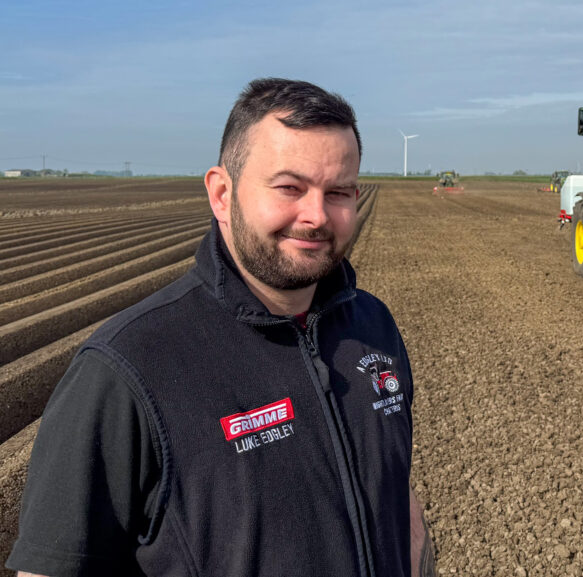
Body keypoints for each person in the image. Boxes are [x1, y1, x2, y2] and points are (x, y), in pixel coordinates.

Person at [6, 78, 435, 577]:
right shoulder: (126, 370)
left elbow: (393, 488)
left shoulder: (372, 325)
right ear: (221, 193)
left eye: (337, 192)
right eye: (289, 187)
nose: (317, 216)